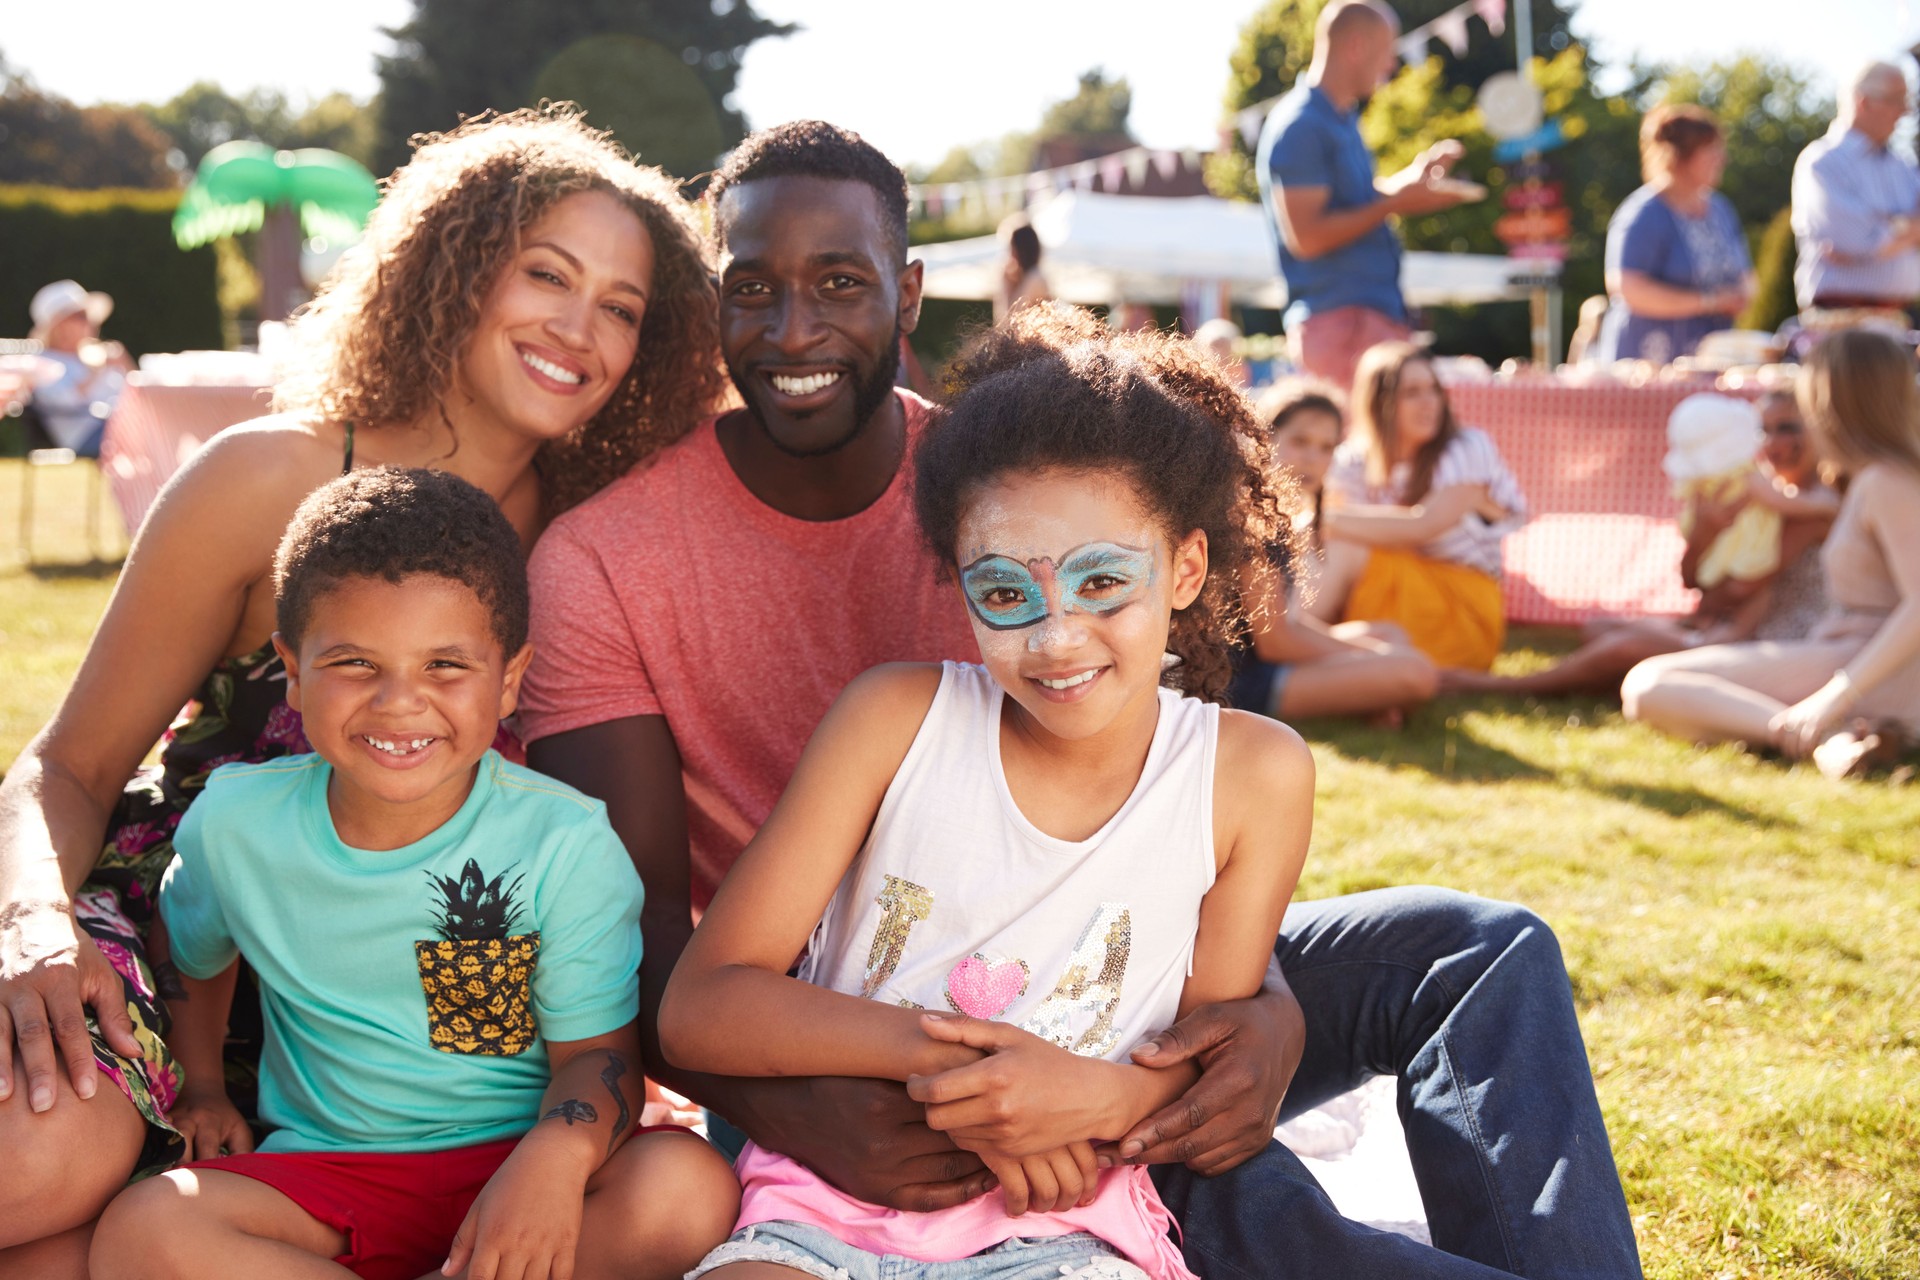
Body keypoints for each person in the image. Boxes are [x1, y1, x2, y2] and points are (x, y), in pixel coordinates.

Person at [524, 119, 1641, 1280]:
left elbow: (1165, 793)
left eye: (841, 282)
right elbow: (644, 948)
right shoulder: (614, 558)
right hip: (825, 1024)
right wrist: (815, 1106)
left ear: (908, 293)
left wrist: (1259, 1015)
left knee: (1478, 950)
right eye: (753, 288)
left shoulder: (1028, 476)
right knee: (1223, 1184)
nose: (796, 326)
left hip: (1112, 985)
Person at [0, 107, 726, 1278]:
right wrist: (27, 922)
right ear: (456, 268)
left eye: (623, 308)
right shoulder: (264, 476)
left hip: (432, 1044)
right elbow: (66, 767)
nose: (578, 328)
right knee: (37, 1163)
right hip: (190, 936)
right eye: (547, 273)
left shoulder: (597, 544)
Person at [660, 307, 1313, 1280]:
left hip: (1069, 1228)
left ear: (1185, 566)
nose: (1056, 639)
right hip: (818, 1215)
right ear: (959, 582)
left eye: (1103, 582)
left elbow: (1203, 1051)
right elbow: (701, 1006)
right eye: (1005, 594)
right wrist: (965, 1066)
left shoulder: (1255, 776)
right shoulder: (891, 720)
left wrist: (1090, 1099)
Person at [87, 467, 738, 1280]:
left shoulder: (563, 843)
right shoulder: (235, 824)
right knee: (144, 1232)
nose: (400, 703)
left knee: (689, 1187)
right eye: (356, 663)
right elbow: (194, 955)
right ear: (292, 669)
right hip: (325, 1179)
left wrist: (553, 1161)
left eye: (444, 667)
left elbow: (597, 1058)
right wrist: (208, 1087)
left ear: (507, 680)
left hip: (519, 1166)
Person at [1623, 329, 1920, 778]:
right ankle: (1838, 740)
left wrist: (1833, 698)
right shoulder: (1873, 478)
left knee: (1649, 685)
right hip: (1852, 661)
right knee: (1647, 681)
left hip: (1870, 668)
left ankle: (1817, 736)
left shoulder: (1886, 481)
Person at [1445, 390, 1836, 697]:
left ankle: (1512, 688)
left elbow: (1734, 591)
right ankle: (1625, 679)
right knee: (1600, 628)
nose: (1773, 442)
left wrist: (1704, 616)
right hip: (1731, 627)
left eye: (1787, 428)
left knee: (1623, 648)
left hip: (1775, 642)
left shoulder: (1812, 508)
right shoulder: (1763, 497)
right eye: (1763, 430)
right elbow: (1692, 580)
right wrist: (1705, 530)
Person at [1257, 0, 1477, 389]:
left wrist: (1412, 181)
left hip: (1363, 321)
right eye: (1387, 52)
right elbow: (1307, 237)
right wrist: (1395, 202)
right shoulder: (1301, 125)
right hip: (1342, 326)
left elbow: (1358, 199)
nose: (1392, 66)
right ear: (1356, 46)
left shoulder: (1339, 119)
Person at [1305, 342, 1527, 671]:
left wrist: (1322, 519)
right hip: (1385, 597)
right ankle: (1304, 649)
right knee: (1324, 546)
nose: (1429, 403)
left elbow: (1423, 525)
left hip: (1460, 609)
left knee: (1342, 546)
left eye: (1433, 390)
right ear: (1380, 403)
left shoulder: (1465, 447)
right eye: (1412, 393)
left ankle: (1285, 647)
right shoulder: (1354, 460)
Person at [1232, 383, 1439, 722]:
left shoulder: (1286, 516)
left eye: (1326, 447)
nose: (1312, 458)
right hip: (1245, 682)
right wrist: (1367, 657)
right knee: (1417, 672)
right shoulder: (1252, 520)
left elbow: (1289, 622)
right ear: (1265, 440)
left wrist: (1371, 655)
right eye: (1300, 442)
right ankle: (1371, 695)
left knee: (1392, 635)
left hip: (1272, 661)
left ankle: (1368, 697)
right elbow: (1275, 642)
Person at [1594, 105, 1756, 366]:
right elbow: (1627, 288)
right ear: (1679, 156)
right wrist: (1710, 302)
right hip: (1647, 365)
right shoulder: (1643, 213)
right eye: (1711, 150)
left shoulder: (1721, 210)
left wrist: (1743, 294)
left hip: (1710, 362)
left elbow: (1746, 276)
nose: (1722, 158)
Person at [1792, 62, 1920, 313]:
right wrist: (1910, 230)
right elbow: (1854, 240)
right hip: (1842, 318)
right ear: (1864, 102)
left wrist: (1886, 226)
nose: (1905, 111)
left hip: (1904, 315)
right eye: (1896, 100)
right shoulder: (1823, 162)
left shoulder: (1903, 167)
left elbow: (1863, 242)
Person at [26, 279, 132, 457]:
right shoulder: (41, 362)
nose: (90, 321)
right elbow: (66, 400)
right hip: (86, 435)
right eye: (80, 316)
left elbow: (135, 393)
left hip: (122, 424)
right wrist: (97, 371)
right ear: (58, 325)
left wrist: (125, 363)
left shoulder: (94, 354)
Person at [994, 212, 1052, 324]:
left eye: (1011, 247)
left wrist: (1005, 284)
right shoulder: (1030, 276)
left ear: (1019, 250)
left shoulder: (1035, 278)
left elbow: (1007, 323)